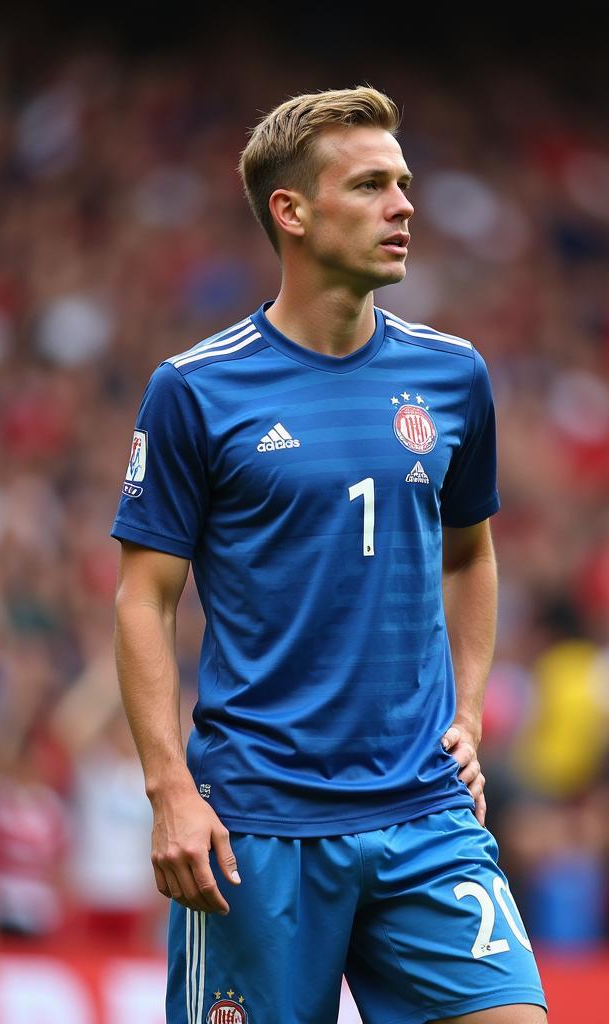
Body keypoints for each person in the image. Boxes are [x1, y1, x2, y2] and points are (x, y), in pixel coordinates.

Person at [111, 86, 547, 1024]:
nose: (404, 206)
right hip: (259, 826)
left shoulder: (453, 374)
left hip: (426, 811)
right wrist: (169, 793)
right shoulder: (196, 390)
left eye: (404, 183)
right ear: (292, 212)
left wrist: (467, 712)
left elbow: (470, 556)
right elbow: (143, 600)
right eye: (371, 185)